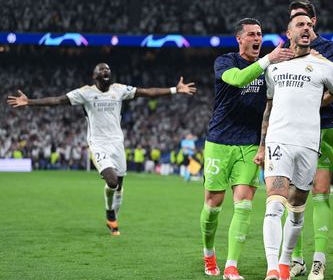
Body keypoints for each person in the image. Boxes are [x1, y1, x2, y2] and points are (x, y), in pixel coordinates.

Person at [7, 63, 196, 236]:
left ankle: (111, 216)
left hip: (117, 144)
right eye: (102, 70)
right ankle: (110, 212)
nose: (106, 71)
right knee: (112, 181)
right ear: (94, 76)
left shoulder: (119, 90)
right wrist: (30, 102)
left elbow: (147, 92)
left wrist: (174, 90)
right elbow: (57, 100)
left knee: (119, 186)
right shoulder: (85, 93)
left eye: (108, 69)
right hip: (98, 143)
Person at [253, 12, 333, 280]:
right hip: (279, 142)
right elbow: (269, 107)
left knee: (297, 208)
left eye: (310, 25)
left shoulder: (325, 67)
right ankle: (273, 267)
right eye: (300, 25)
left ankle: (286, 262)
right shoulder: (273, 67)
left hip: (309, 144)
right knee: (274, 204)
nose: (306, 28)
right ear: (289, 33)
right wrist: (262, 145)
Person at [200, 18, 294, 280]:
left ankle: (231, 265)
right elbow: (239, 80)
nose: (257, 38)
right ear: (239, 38)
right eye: (251, 34)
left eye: (260, 34)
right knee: (213, 204)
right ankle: (209, 253)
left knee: (243, 204)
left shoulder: (269, 69)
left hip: (250, 144)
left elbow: (271, 105)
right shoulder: (225, 62)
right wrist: (268, 60)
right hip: (219, 142)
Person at [285, 0, 333, 280]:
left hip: (325, 126)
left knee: (320, 190)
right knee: (290, 195)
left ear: (314, 21)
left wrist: (308, 104)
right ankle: (295, 258)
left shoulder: (331, 49)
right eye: (295, 19)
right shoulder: (286, 53)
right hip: (291, 130)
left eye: (305, 19)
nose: (302, 24)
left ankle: (319, 260)